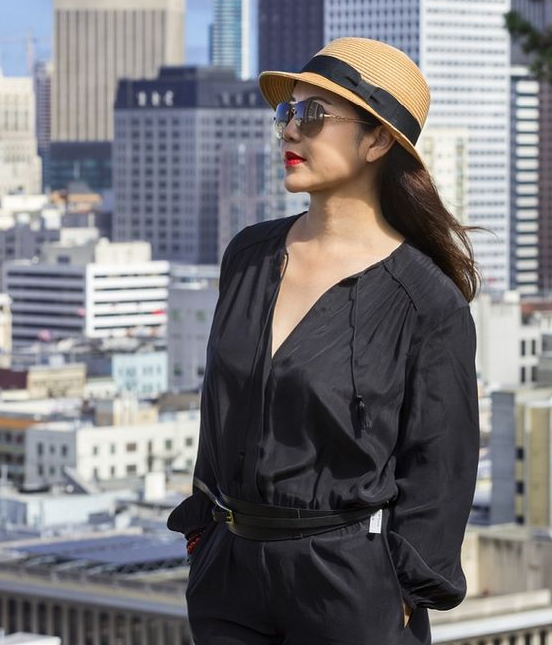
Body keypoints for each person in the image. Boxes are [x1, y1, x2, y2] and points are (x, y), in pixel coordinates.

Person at [166, 36, 481, 645]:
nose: (289, 131)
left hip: (347, 586)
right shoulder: (249, 255)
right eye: (287, 113)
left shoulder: (426, 299)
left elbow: (442, 465)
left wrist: (406, 597)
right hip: (228, 576)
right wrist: (203, 537)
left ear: (378, 139)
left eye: (312, 115)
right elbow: (220, 410)